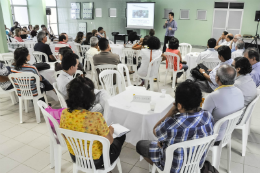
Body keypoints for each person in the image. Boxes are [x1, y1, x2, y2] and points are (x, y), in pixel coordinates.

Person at [136, 81, 214, 173]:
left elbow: (155, 131)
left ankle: (163, 169)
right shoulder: (208, 116)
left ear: (179, 105)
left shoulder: (171, 123)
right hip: (197, 163)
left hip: (174, 168)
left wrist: (171, 112)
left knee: (140, 145)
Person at [60, 76, 124, 169]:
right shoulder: (96, 117)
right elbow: (109, 141)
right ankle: (107, 167)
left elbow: (64, 135)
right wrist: (110, 130)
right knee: (121, 135)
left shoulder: (64, 113)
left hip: (76, 157)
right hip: (96, 161)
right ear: (91, 97)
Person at [203, 64, 244, 142]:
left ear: (217, 78)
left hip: (213, 136)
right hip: (228, 133)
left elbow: (203, 120)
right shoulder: (239, 92)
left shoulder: (213, 96)